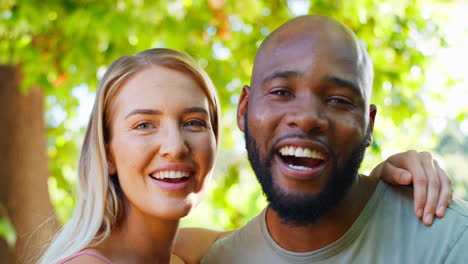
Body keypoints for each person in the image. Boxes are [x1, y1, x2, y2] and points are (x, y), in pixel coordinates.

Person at [39, 47, 452, 264]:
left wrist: (373, 182)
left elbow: (296, 234)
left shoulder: (191, 252)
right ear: (107, 153)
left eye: (194, 123)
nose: (175, 145)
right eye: (144, 125)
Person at [199, 15, 468, 263]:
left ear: (368, 125)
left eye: (339, 100)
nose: (306, 118)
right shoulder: (218, 259)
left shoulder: (451, 242)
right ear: (244, 109)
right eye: (281, 92)